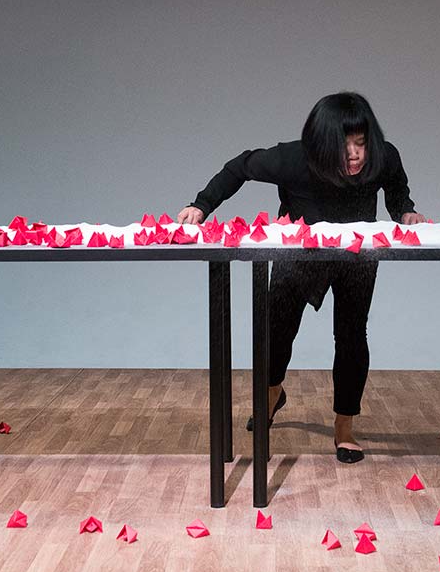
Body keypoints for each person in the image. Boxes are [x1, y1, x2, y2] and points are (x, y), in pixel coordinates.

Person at [176, 92, 426, 463]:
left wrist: (405, 212)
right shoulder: (293, 159)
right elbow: (240, 167)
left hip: (355, 258)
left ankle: (345, 427)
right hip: (298, 255)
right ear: (322, 145)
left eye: (361, 143)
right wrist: (201, 204)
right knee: (277, 333)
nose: (356, 154)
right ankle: (273, 392)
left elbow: (397, 191)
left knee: (352, 335)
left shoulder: (384, 156)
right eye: (346, 145)